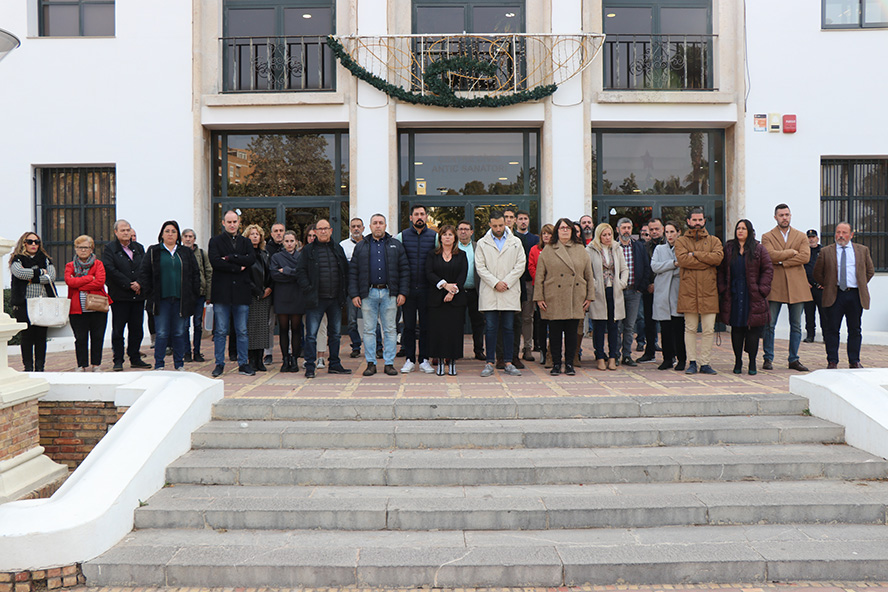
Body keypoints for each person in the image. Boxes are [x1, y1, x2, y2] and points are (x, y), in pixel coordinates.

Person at [349, 213, 409, 376]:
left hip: (390, 293)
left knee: (390, 329)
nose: (378, 225)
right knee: (368, 330)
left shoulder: (395, 245)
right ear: (369, 226)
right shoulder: (361, 246)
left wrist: (402, 292)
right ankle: (371, 363)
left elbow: (404, 270)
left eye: (380, 223)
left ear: (385, 226)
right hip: (368, 294)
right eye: (375, 223)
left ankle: (389, 363)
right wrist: (355, 294)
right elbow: (353, 272)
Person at [534, 218, 594, 376]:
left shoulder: (581, 249)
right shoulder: (548, 250)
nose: (565, 230)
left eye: (568, 228)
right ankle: (555, 364)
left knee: (572, 334)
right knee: (554, 334)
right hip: (554, 297)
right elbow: (539, 276)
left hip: (575, 296)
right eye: (562, 228)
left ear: (572, 231)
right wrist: (539, 297)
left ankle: (569, 364)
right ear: (557, 231)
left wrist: (589, 297)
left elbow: (589, 275)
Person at [139, 221, 200, 371]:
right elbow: (144, 273)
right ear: (162, 234)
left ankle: (179, 364)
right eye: (167, 231)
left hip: (180, 300)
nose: (170, 234)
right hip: (161, 300)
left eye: (173, 231)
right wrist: (149, 293)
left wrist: (193, 295)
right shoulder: (154, 251)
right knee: (162, 333)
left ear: (177, 235)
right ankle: (159, 364)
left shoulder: (185, 252)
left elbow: (195, 275)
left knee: (179, 332)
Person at [813, 222, 875, 369]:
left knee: (855, 329)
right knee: (832, 329)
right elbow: (817, 273)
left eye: (844, 233)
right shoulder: (826, 251)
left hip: (854, 295)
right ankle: (832, 360)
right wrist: (828, 284)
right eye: (838, 232)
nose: (840, 236)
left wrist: (859, 283)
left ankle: (854, 360)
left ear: (851, 235)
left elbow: (869, 271)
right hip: (835, 294)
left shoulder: (862, 250)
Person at [295, 218, 352, 378]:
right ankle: (310, 366)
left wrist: (344, 291)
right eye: (320, 229)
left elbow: (345, 271)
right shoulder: (308, 250)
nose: (323, 231)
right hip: (316, 300)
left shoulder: (337, 248)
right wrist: (308, 289)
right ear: (316, 232)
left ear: (331, 230)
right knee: (311, 335)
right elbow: (300, 272)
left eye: (325, 228)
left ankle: (334, 364)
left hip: (335, 299)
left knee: (335, 334)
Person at [717, 219, 773, 375]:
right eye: (738, 228)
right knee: (737, 329)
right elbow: (720, 270)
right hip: (734, 293)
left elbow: (768, 270)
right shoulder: (729, 248)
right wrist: (722, 288)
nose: (740, 231)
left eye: (743, 228)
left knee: (753, 331)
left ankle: (753, 362)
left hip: (752, 294)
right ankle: (738, 361)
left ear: (749, 231)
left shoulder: (759, 249)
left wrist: (762, 290)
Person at [761, 204, 811, 372]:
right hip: (776, 285)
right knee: (770, 324)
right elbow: (769, 255)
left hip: (797, 286)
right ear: (775, 217)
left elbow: (805, 257)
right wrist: (791, 252)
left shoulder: (801, 236)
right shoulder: (767, 236)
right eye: (781, 215)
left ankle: (794, 359)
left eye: (787, 214)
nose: (785, 217)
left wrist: (782, 261)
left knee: (796, 325)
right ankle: (768, 358)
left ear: (790, 216)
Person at [475, 211, 525, 377]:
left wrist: (506, 282)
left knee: (509, 328)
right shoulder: (482, 243)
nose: (498, 228)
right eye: (495, 225)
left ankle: (509, 362)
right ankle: (489, 362)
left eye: (501, 225)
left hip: (509, 291)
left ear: (506, 224)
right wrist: (496, 282)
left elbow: (520, 265)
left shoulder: (516, 242)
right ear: (490, 224)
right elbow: (480, 267)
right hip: (490, 291)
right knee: (490, 328)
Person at [674, 208, 723, 375]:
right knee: (690, 328)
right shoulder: (680, 241)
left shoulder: (714, 240)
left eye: (700, 219)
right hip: (689, 291)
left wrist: (695, 254)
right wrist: (705, 259)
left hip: (709, 291)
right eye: (694, 220)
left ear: (704, 221)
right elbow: (683, 260)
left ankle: (706, 363)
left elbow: (717, 258)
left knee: (709, 329)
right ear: (688, 221)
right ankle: (692, 362)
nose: (697, 223)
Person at [208, 210, 256, 377]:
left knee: (242, 330)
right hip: (222, 293)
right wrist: (237, 266)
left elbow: (251, 259)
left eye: (234, 221)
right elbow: (215, 262)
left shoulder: (246, 242)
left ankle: (243, 364)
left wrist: (229, 257)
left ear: (239, 222)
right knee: (220, 331)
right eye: (229, 222)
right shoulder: (215, 241)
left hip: (241, 292)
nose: (232, 224)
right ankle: (219, 363)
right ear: (223, 223)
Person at [102, 220, 151, 371]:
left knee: (137, 329)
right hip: (120, 296)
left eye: (128, 230)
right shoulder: (110, 249)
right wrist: (129, 284)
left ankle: (135, 357)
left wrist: (139, 283)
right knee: (118, 330)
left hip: (138, 296)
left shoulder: (139, 248)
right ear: (116, 232)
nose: (126, 233)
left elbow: (145, 267)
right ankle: (118, 359)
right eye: (122, 230)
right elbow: (110, 270)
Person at [397, 205, 437, 374]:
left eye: (422, 214)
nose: (419, 217)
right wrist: (401, 289)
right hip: (408, 289)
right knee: (409, 326)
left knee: (427, 326)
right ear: (411, 217)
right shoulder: (402, 237)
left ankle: (424, 360)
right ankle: (409, 359)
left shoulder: (434, 237)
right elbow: (397, 263)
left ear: (426, 216)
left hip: (428, 289)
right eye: (416, 214)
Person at [426, 225, 468, 376]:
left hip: (456, 301)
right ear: (440, 238)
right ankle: (440, 362)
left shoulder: (461, 255)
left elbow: (462, 275)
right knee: (438, 331)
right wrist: (445, 285)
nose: (447, 237)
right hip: (437, 300)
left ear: (455, 238)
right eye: (445, 234)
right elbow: (429, 273)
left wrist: (452, 291)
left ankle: (452, 362)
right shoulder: (432, 255)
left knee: (454, 332)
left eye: (450, 234)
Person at [9, 232, 55, 372]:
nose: (34, 244)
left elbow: (51, 276)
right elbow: (19, 273)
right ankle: (28, 366)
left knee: (41, 336)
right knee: (27, 336)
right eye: (30, 241)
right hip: (23, 303)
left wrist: (31, 277)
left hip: (43, 303)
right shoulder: (17, 259)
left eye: (37, 242)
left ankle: (40, 366)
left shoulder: (45, 259)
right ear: (24, 243)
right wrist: (41, 272)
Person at [65, 235, 112, 372]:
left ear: (91, 249)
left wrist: (78, 284)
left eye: (86, 247)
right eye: (79, 247)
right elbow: (69, 281)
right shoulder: (70, 266)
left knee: (97, 337)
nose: (83, 250)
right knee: (80, 338)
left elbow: (99, 282)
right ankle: (82, 365)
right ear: (75, 249)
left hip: (97, 308)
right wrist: (88, 278)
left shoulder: (98, 264)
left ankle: (96, 365)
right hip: (77, 309)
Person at [586, 223, 629, 371]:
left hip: (614, 291)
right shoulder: (590, 249)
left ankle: (612, 357)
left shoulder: (617, 248)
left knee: (613, 326)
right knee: (598, 327)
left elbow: (624, 269)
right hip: (599, 293)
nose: (607, 237)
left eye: (609, 234)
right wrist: (595, 285)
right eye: (604, 235)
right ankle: (599, 357)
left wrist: (621, 283)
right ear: (599, 235)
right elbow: (587, 271)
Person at [650, 221, 686, 371]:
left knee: (678, 328)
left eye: (672, 232)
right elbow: (654, 266)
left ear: (678, 232)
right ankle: (667, 358)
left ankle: (682, 359)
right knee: (665, 328)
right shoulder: (659, 248)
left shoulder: (683, 248)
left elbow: (684, 264)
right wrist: (673, 264)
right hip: (662, 292)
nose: (670, 235)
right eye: (667, 232)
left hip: (677, 292)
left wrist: (670, 266)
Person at [615, 217, 649, 367]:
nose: (626, 231)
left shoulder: (639, 247)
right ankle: (615, 355)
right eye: (623, 228)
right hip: (617, 292)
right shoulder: (613, 247)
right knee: (616, 325)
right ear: (617, 230)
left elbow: (646, 267)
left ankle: (627, 355)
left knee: (629, 326)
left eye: (629, 228)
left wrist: (640, 287)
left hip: (633, 292)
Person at [270, 230, 306, 373]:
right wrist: (293, 273)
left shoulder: (302, 257)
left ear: (296, 242)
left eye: (292, 241)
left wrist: (285, 270)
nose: (289, 244)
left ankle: (295, 359)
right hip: (282, 295)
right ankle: (285, 359)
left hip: (297, 295)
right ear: (283, 243)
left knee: (296, 329)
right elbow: (274, 275)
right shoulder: (276, 257)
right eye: (287, 241)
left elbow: (302, 274)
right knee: (283, 329)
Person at [243, 224, 273, 372]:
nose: (255, 236)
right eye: (252, 234)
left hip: (265, 295)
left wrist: (269, 288)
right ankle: (251, 360)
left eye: (257, 234)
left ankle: (260, 360)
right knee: (250, 328)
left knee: (262, 329)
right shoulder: (245, 255)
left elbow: (270, 273)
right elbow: (245, 276)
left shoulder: (265, 254)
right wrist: (256, 291)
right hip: (250, 296)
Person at [181, 228, 212, 363]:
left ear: (194, 239)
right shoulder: (178, 252)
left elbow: (208, 273)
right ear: (182, 238)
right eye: (186, 236)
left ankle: (197, 351)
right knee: (185, 325)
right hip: (184, 295)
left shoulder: (201, 253)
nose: (188, 239)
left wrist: (209, 294)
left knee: (198, 324)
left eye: (191, 236)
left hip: (199, 293)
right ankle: (186, 352)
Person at [456, 220, 485, 361]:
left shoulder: (478, 247)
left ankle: (479, 351)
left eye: (466, 229)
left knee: (478, 323)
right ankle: (456, 351)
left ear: (472, 232)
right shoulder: (453, 247)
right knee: (456, 323)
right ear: (457, 232)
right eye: (461, 229)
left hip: (475, 291)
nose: (463, 232)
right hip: (458, 291)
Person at [638, 218, 665, 362]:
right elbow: (644, 267)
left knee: (667, 322)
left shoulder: (669, 245)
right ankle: (649, 352)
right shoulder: (644, 246)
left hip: (665, 289)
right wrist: (648, 285)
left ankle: (670, 354)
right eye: (651, 229)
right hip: (648, 290)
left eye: (657, 229)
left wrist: (657, 284)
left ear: (662, 229)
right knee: (649, 322)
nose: (654, 232)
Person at [514, 210, 539, 361]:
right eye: (520, 219)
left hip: (529, 283)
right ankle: (514, 348)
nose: (523, 221)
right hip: (513, 283)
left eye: (526, 219)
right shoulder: (511, 238)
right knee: (514, 317)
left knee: (528, 317)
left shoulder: (535, 239)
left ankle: (528, 348)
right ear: (516, 221)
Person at [528, 223, 554, 366]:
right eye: (544, 233)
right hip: (539, 288)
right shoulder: (534, 249)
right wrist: (539, 279)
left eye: (549, 233)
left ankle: (552, 351)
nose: (546, 236)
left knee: (554, 323)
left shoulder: (557, 250)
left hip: (554, 289)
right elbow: (531, 266)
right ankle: (542, 350)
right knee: (541, 322)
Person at [340, 217, 365, 358]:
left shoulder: (369, 244)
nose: (356, 229)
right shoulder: (343, 245)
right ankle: (355, 346)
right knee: (351, 321)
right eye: (353, 226)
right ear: (350, 228)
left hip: (367, 289)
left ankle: (378, 347)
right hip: (351, 289)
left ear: (363, 228)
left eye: (358, 226)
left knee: (372, 321)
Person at [263, 222, 286, 365]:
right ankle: (268, 353)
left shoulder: (290, 248)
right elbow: (267, 271)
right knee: (269, 324)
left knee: (287, 324)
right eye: (276, 231)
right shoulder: (266, 250)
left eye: (281, 230)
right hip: (271, 291)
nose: (279, 233)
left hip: (287, 292)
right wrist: (269, 287)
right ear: (271, 234)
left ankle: (288, 352)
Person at [803, 229, 823, 343]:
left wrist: (824, 282)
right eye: (809, 237)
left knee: (824, 314)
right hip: (808, 288)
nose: (811, 239)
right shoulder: (804, 251)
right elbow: (800, 268)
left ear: (817, 239)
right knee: (809, 314)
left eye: (813, 237)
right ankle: (810, 335)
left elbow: (829, 267)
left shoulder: (823, 250)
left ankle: (826, 336)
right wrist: (805, 282)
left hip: (821, 288)